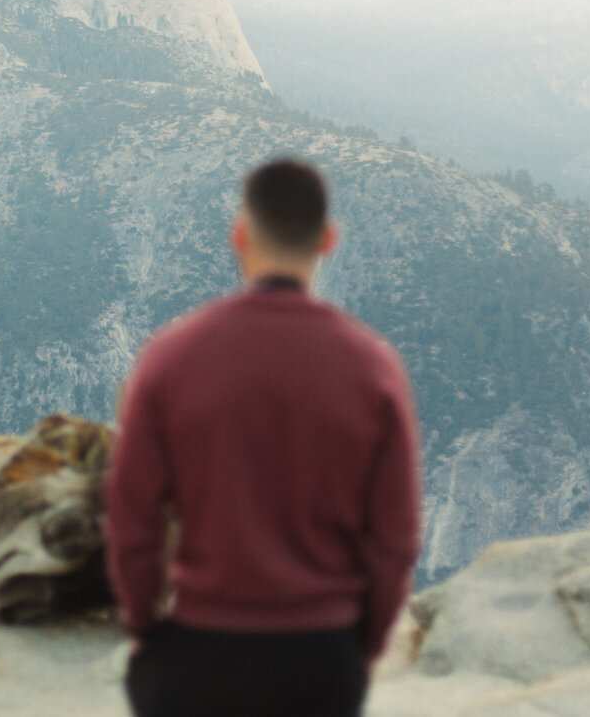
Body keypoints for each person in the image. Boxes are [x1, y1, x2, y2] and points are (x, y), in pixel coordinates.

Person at [103, 158, 422, 717]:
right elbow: (395, 538)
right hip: (322, 663)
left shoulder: (172, 358)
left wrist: (143, 627)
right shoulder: (372, 369)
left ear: (239, 236)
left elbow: (133, 520)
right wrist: (362, 647)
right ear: (328, 239)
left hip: (202, 654)